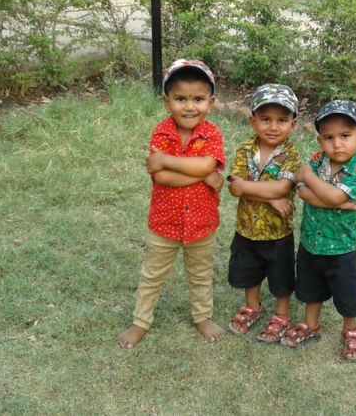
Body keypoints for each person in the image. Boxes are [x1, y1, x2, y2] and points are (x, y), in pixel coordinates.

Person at [118, 59, 226, 348]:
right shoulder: (162, 132)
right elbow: (163, 177)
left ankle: (202, 316)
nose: (189, 106)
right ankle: (140, 322)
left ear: (211, 103)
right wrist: (205, 176)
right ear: (167, 102)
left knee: (200, 274)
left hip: (201, 223)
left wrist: (166, 160)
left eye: (198, 99)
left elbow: (203, 164)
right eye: (180, 99)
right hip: (164, 223)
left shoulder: (212, 133)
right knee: (152, 275)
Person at [282, 100, 356, 361]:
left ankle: (351, 329)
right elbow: (303, 193)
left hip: (341, 247)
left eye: (345, 135)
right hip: (311, 242)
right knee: (311, 288)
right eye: (329, 137)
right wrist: (341, 204)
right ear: (320, 140)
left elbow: (328, 194)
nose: (337, 144)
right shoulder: (316, 160)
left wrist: (309, 179)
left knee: (346, 292)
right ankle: (311, 325)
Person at [226, 84, 301, 342]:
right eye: (266, 119)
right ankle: (252, 307)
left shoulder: (291, 154)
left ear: (293, 124)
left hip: (278, 231)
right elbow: (234, 188)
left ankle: (282, 315)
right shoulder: (245, 149)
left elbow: (283, 187)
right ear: (253, 121)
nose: (273, 126)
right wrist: (271, 199)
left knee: (281, 277)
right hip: (246, 228)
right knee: (250, 271)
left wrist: (259, 190)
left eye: (282, 120)